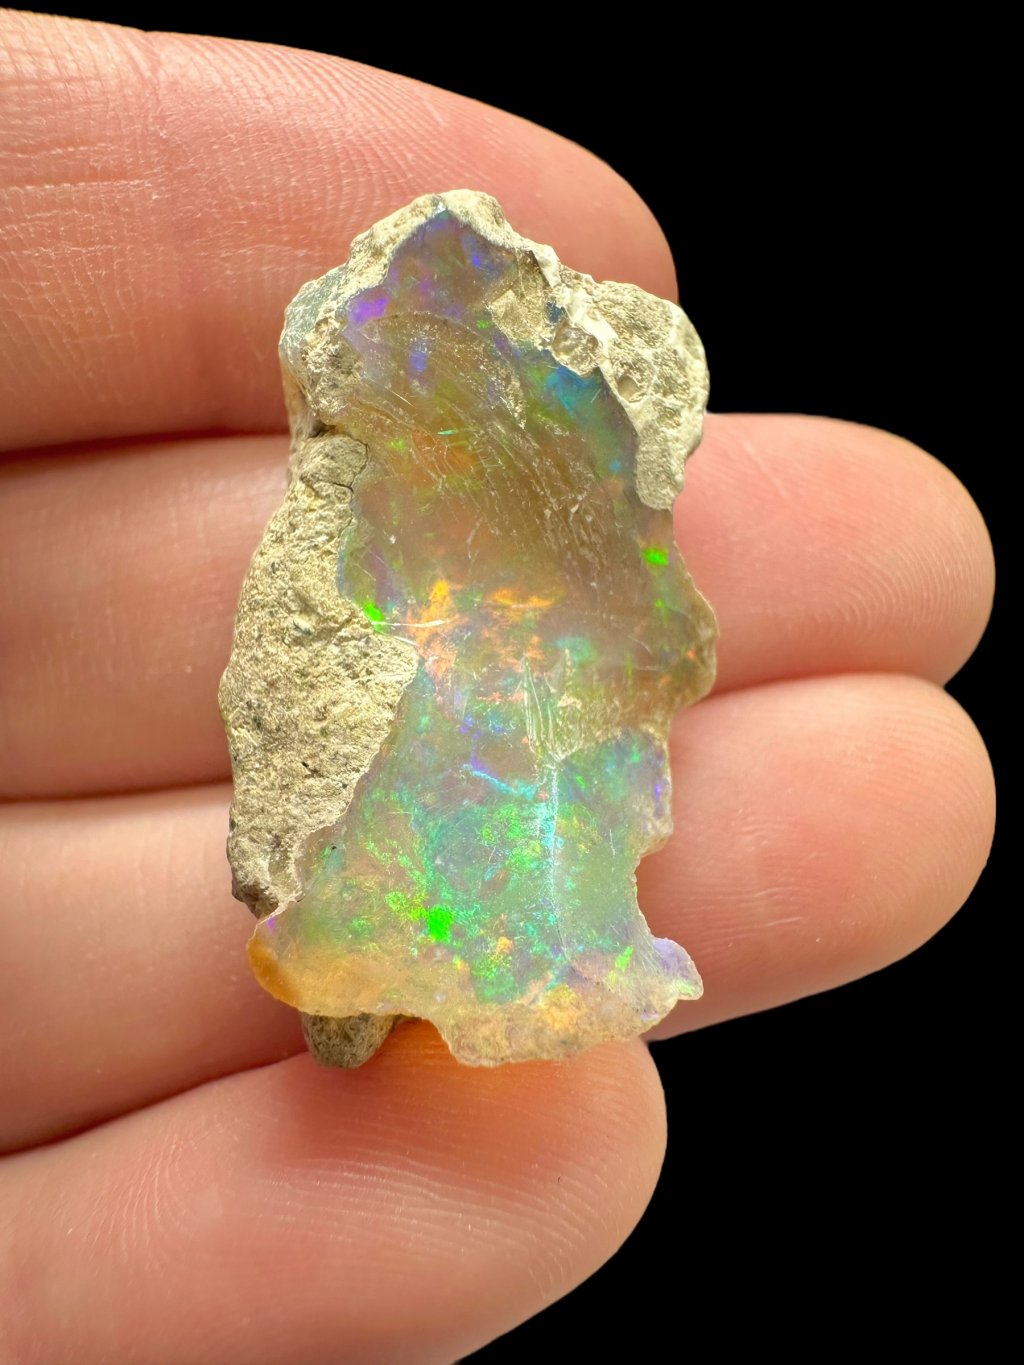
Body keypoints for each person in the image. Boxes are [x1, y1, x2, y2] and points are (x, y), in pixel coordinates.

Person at [0, 13, 995, 1363]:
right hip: (426, 813)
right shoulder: (397, 503)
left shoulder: (554, 510)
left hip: (519, 782)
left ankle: (504, 948)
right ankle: (446, 949)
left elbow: (620, 639)